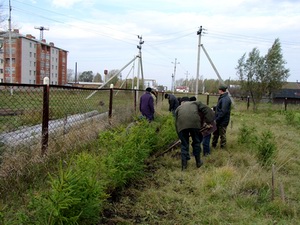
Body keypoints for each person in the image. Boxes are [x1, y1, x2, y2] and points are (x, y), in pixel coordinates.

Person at [175, 97, 215, 170]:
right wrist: (209, 121)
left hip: (182, 125)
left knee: (184, 144)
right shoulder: (196, 103)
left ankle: (184, 166)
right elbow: (207, 109)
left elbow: (176, 122)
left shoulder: (178, 108)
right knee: (196, 142)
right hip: (195, 124)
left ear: (182, 102)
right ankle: (198, 162)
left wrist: (180, 136)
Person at [212, 84, 232, 149]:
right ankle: (213, 146)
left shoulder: (225, 99)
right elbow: (220, 107)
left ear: (221, 90)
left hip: (222, 121)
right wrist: (214, 108)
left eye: (219, 90)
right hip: (219, 120)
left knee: (222, 135)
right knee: (215, 134)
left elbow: (223, 111)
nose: (218, 91)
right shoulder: (222, 97)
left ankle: (223, 148)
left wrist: (217, 120)